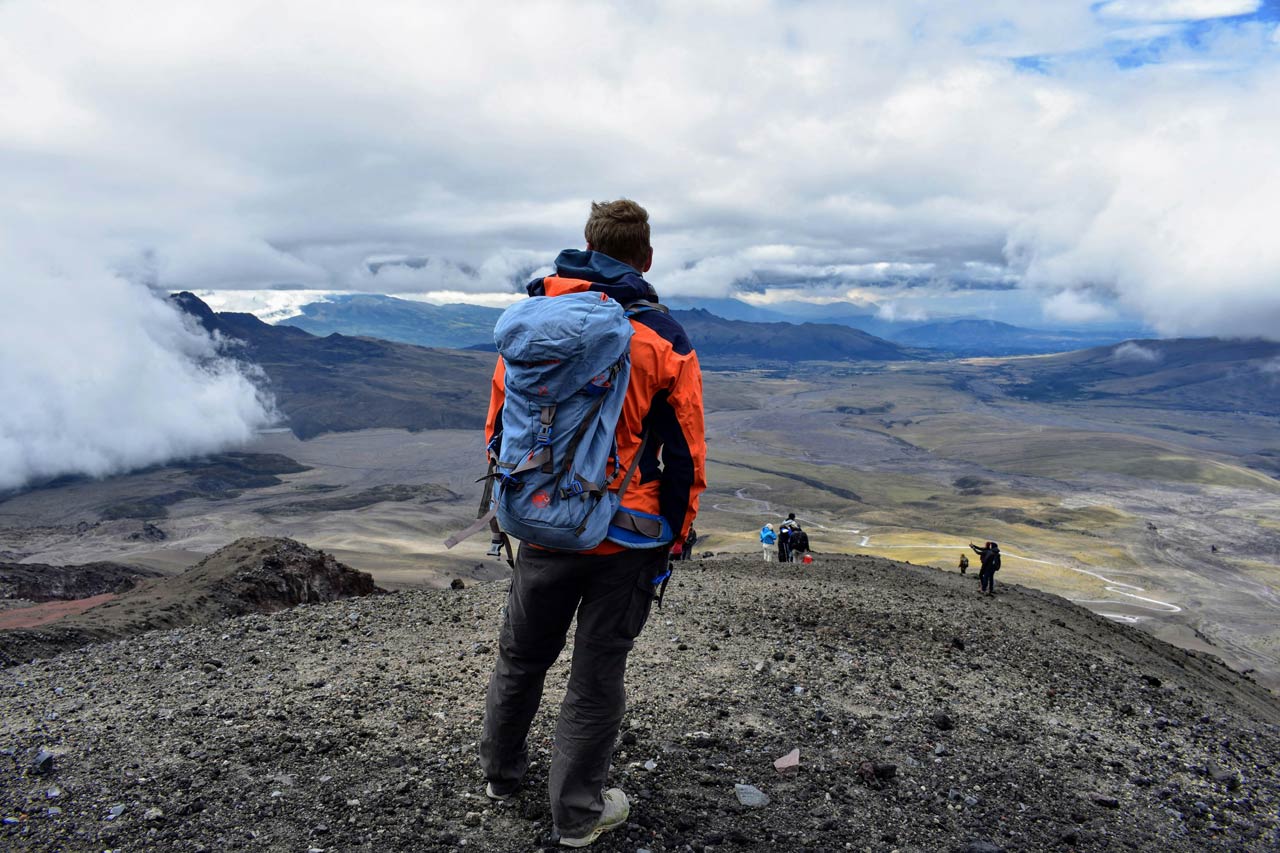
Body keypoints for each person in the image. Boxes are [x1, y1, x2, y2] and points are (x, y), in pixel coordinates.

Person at [479, 199, 707, 848]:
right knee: (595, 673)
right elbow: (685, 453)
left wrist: (510, 508)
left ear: (587, 244)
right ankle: (577, 815)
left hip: (542, 521)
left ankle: (501, 774)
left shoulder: (534, 322)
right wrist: (676, 534)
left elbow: (500, 425)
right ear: (647, 257)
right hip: (626, 534)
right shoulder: (661, 336)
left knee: (521, 657)